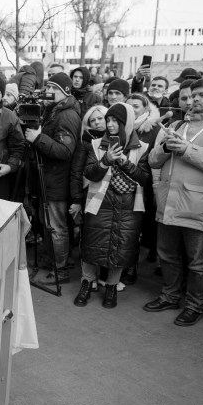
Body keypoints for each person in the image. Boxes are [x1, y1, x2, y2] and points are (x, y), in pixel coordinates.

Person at [143, 78, 203, 326]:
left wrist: (186, 149)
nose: (194, 100)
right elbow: (153, 160)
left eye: (202, 95)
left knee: (198, 262)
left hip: (198, 204)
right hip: (168, 200)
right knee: (167, 255)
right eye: (192, 95)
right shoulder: (176, 124)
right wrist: (165, 147)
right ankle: (170, 296)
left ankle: (195, 306)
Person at [75, 103, 151, 308]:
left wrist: (125, 162)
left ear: (126, 122)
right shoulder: (96, 144)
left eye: (114, 120)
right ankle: (86, 282)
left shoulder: (142, 147)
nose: (109, 124)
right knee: (91, 245)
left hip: (128, 206)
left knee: (121, 247)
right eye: (108, 120)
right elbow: (89, 173)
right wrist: (105, 160)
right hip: (100, 203)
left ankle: (111, 286)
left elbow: (144, 178)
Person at [24, 73, 82, 283]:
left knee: (56, 227)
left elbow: (65, 150)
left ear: (65, 91)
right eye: (47, 86)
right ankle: (52, 259)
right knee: (46, 222)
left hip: (56, 180)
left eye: (53, 88)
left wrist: (38, 138)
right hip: (46, 178)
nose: (48, 91)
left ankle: (61, 270)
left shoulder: (67, 115)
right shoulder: (53, 110)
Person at [69, 106, 108, 292]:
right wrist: (77, 199)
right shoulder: (84, 142)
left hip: (110, 195)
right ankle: (89, 278)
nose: (98, 122)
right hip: (88, 194)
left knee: (108, 237)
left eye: (101, 118)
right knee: (89, 237)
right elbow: (76, 172)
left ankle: (106, 278)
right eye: (93, 120)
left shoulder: (118, 139)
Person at [126, 92, 163, 280]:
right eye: (129, 106)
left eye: (136, 106)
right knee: (126, 230)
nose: (132, 110)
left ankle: (131, 268)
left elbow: (156, 162)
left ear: (145, 109)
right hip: (121, 185)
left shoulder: (155, 129)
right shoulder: (119, 126)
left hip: (143, 185)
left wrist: (155, 190)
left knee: (136, 230)